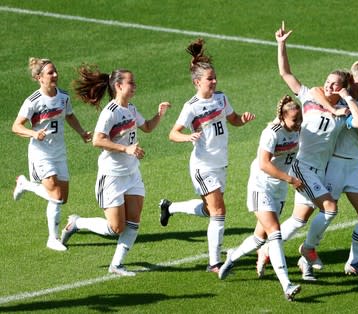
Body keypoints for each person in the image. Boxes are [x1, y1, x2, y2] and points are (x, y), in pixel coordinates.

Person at [257, 22, 358, 281]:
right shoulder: (310, 98)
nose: (328, 86)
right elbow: (286, 73)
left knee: (299, 218)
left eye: (335, 84)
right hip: (301, 166)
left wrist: (347, 99)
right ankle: (306, 250)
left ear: (343, 87)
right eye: (328, 82)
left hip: (319, 169)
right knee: (329, 209)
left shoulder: (344, 112)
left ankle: (267, 250)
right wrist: (281, 44)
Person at [61, 64, 171, 276]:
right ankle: (77, 223)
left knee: (134, 221)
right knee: (116, 228)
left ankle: (117, 265)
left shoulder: (130, 108)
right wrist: (126, 148)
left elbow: (146, 127)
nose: (135, 86)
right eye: (131, 83)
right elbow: (97, 140)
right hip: (111, 176)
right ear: (119, 86)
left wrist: (159, 115)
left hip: (132, 174)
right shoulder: (109, 113)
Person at [159, 38, 255, 274]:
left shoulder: (221, 98)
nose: (213, 82)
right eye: (209, 79)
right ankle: (214, 263)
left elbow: (233, 120)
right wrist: (187, 138)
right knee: (219, 212)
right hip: (203, 165)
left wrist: (243, 119)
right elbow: (173, 134)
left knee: (208, 209)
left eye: (214, 78)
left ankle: (169, 207)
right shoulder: (191, 106)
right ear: (197, 82)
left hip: (220, 163)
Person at [218, 95, 302, 301]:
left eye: (300, 119)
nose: (298, 124)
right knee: (275, 231)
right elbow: (264, 164)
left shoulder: (299, 130)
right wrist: (290, 178)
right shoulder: (271, 133)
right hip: (260, 186)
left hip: (278, 189)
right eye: (294, 120)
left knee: (260, 238)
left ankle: (232, 257)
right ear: (282, 118)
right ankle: (287, 284)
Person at [12, 57, 92, 252]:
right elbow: (16, 126)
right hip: (41, 154)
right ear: (40, 77)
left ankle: (25, 185)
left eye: (55, 71)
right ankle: (52, 239)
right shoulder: (33, 101)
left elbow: (70, 116)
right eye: (50, 73)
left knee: (62, 198)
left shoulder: (63, 97)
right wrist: (33, 133)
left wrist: (82, 132)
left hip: (59, 152)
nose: (55, 75)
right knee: (55, 196)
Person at [309, 61, 358, 280]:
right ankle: (306, 253)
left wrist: (357, 116)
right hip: (334, 164)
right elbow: (313, 92)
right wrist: (344, 101)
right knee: (327, 213)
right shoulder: (335, 99)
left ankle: (353, 262)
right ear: (349, 82)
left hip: (354, 164)